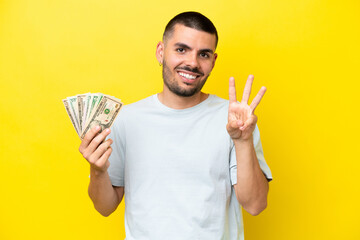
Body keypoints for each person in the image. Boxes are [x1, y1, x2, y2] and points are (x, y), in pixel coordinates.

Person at [79, 11, 272, 240]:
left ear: (213, 61)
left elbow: (255, 205)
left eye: (204, 54)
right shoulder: (126, 119)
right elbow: (105, 207)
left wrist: (242, 141)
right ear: (161, 52)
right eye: (181, 49)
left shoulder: (236, 121)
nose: (192, 62)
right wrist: (98, 171)